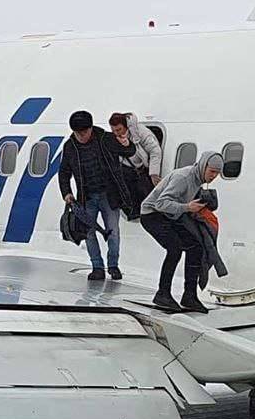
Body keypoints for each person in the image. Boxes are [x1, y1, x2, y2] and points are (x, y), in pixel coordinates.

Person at [139, 151, 223, 313]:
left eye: (217, 173)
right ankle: (162, 293)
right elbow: (160, 204)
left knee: (196, 246)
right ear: (203, 165)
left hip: (171, 215)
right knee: (175, 249)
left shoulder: (198, 179)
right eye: (212, 171)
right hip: (152, 215)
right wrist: (187, 207)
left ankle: (189, 295)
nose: (214, 176)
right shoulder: (183, 178)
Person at [58, 110, 135, 281]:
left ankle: (113, 266)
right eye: (78, 133)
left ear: (91, 128)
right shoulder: (70, 146)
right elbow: (64, 172)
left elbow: (129, 151)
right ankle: (97, 267)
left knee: (113, 231)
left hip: (109, 195)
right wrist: (67, 193)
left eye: (84, 132)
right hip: (87, 197)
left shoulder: (105, 139)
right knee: (89, 233)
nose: (81, 136)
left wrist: (125, 143)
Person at [110, 112, 162, 188]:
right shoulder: (114, 137)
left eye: (118, 130)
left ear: (126, 126)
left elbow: (155, 151)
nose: (116, 133)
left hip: (141, 172)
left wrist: (154, 173)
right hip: (125, 172)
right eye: (113, 130)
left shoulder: (142, 132)